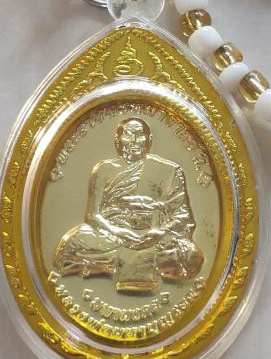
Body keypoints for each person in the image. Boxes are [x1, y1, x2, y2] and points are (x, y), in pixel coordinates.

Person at [54, 116, 204, 292]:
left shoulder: (169, 171)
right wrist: (118, 232)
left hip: (154, 236)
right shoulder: (104, 170)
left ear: (149, 140)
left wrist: (159, 233)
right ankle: (141, 263)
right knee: (72, 243)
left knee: (191, 255)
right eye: (128, 135)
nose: (134, 141)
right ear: (118, 140)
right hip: (112, 236)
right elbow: (93, 216)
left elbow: (182, 216)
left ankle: (104, 265)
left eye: (139, 135)